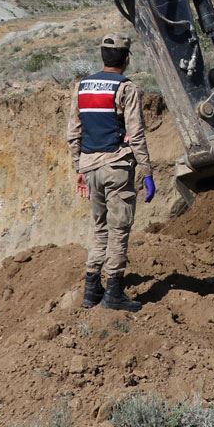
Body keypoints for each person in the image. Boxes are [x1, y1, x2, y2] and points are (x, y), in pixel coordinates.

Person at [68, 33, 155, 312]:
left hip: (90, 167)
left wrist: (78, 167)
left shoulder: (82, 87)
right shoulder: (127, 88)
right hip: (116, 167)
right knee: (119, 229)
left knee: (99, 227)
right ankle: (114, 292)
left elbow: (74, 133)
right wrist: (147, 169)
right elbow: (136, 132)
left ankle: (91, 290)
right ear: (126, 58)